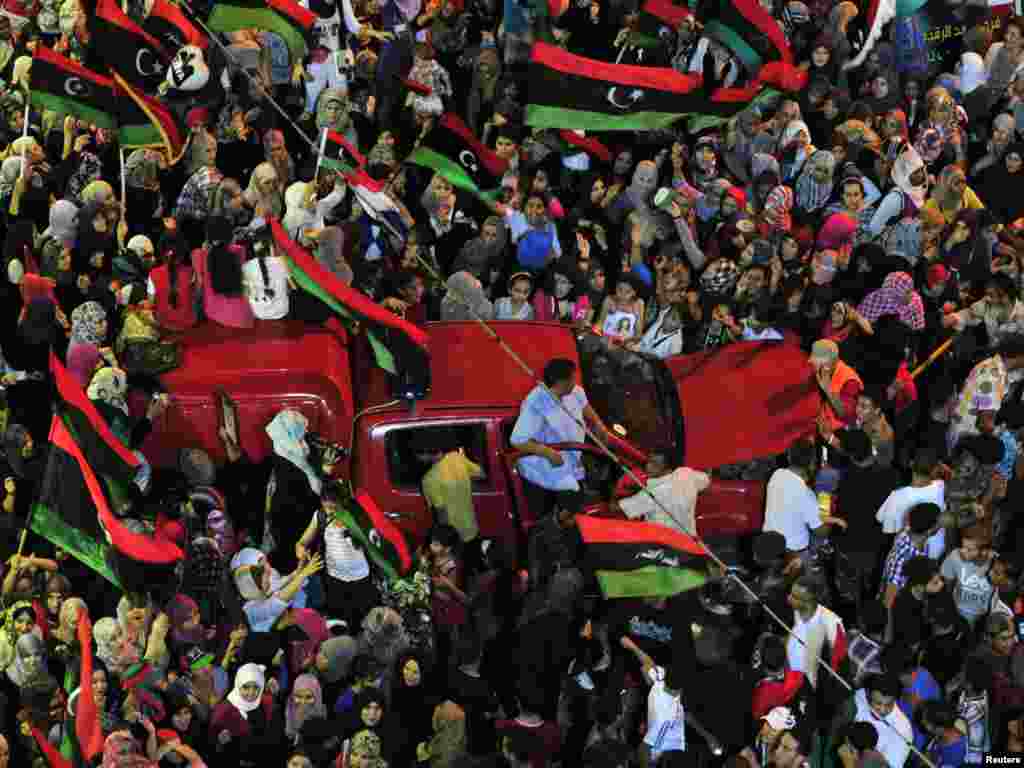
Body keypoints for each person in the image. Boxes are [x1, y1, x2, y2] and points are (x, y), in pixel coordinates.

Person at [510, 357, 613, 520]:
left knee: (573, 501)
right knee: (553, 512)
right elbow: (518, 440)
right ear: (562, 382)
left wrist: (599, 425)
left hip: (571, 461)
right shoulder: (535, 404)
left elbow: (585, 407)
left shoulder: (575, 391)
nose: (575, 381)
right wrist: (547, 453)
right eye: (573, 377)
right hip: (544, 468)